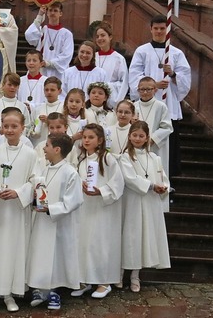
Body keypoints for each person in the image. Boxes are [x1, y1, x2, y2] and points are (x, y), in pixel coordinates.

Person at [0, 107, 37, 312]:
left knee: (14, 250)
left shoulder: (31, 154)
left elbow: (35, 180)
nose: (10, 130)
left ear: (23, 128)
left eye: (14, 126)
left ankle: (10, 293)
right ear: (1, 127)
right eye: (6, 126)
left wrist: (19, 193)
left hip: (17, 211)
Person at [128, 14, 190, 177]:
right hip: (146, 105)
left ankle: (168, 180)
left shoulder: (176, 53)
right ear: (151, 29)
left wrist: (174, 74)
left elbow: (186, 79)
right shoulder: (142, 51)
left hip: (168, 104)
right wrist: (154, 85)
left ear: (167, 29)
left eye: (162, 28)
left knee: (168, 145)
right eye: (156, 28)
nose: (159, 31)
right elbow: (134, 75)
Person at [28, 133, 83, 311]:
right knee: (41, 253)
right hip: (42, 222)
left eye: (47, 145)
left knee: (56, 257)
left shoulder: (70, 172)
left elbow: (74, 200)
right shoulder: (45, 170)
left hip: (60, 222)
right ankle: (41, 288)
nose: (44, 148)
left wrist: (51, 209)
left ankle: (54, 291)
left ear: (57, 149)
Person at [72, 124, 124, 299]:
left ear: (100, 140)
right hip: (85, 207)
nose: (86, 140)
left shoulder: (108, 159)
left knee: (100, 244)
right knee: (84, 243)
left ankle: (104, 281)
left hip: (103, 209)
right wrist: (81, 184)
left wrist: (101, 191)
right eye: (84, 137)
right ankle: (84, 279)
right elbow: (77, 179)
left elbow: (117, 183)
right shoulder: (82, 159)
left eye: (91, 137)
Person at [119, 121, 171, 293]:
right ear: (129, 136)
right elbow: (129, 178)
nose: (138, 138)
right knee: (129, 236)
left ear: (147, 138)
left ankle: (135, 275)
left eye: (141, 136)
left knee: (143, 238)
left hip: (150, 204)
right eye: (135, 135)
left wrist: (164, 187)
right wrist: (150, 186)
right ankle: (119, 273)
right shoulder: (125, 156)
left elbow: (162, 177)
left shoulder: (155, 158)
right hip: (132, 201)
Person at [133, 77, 173, 207]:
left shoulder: (161, 106)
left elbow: (167, 127)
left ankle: (158, 205)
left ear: (155, 90)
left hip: (154, 148)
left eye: (148, 89)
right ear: (138, 90)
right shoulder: (134, 106)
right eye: (142, 89)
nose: (145, 92)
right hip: (136, 148)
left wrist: (151, 139)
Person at [24, 3, 74, 80]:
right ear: (47, 13)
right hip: (41, 70)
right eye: (50, 10)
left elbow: (67, 54)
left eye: (55, 11)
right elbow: (29, 35)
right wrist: (40, 15)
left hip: (57, 72)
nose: (52, 13)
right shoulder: (42, 30)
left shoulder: (66, 34)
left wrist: (49, 63)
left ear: (60, 13)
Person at [0, 72, 31, 149]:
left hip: (17, 144)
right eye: (10, 85)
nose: (12, 88)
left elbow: (27, 126)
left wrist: (16, 133)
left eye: (15, 85)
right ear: (3, 85)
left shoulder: (22, 106)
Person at [94, 22, 128, 107]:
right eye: (97, 36)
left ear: (110, 37)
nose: (100, 38)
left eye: (103, 35)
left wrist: (107, 86)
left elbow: (123, 82)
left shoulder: (118, 59)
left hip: (110, 101)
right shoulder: (93, 57)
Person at [29, 76, 64, 146]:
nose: (49, 92)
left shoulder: (63, 108)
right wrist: (33, 132)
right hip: (40, 144)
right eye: (46, 90)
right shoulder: (38, 108)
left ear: (59, 91)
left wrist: (50, 121)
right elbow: (32, 127)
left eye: (52, 90)